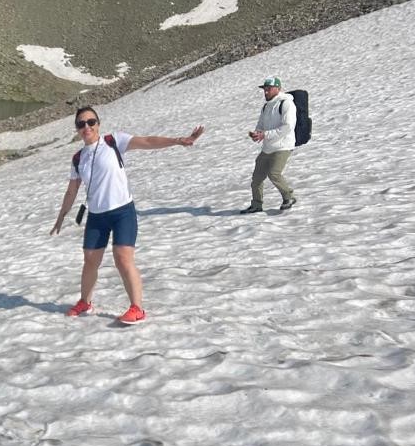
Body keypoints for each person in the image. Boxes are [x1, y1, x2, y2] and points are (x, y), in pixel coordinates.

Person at [50, 106, 204, 323]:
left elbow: (148, 142)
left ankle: (137, 308)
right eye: (81, 124)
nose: (86, 127)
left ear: (98, 124)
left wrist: (179, 140)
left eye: (91, 122)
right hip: (96, 216)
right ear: (77, 129)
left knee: (123, 259)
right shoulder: (78, 158)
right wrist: (61, 216)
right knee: (90, 261)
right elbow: (71, 190)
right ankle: (85, 301)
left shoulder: (114, 141)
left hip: (122, 211)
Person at [241, 76, 298, 214]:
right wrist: (257, 133)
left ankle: (289, 197)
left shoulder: (286, 104)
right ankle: (256, 204)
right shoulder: (266, 106)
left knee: (274, 173)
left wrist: (265, 135)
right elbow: (261, 124)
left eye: (269, 89)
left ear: (278, 89)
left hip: (283, 146)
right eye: (265, 89)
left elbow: (288, 127)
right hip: (268, 147)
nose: (266, 92)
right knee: (257, 178)